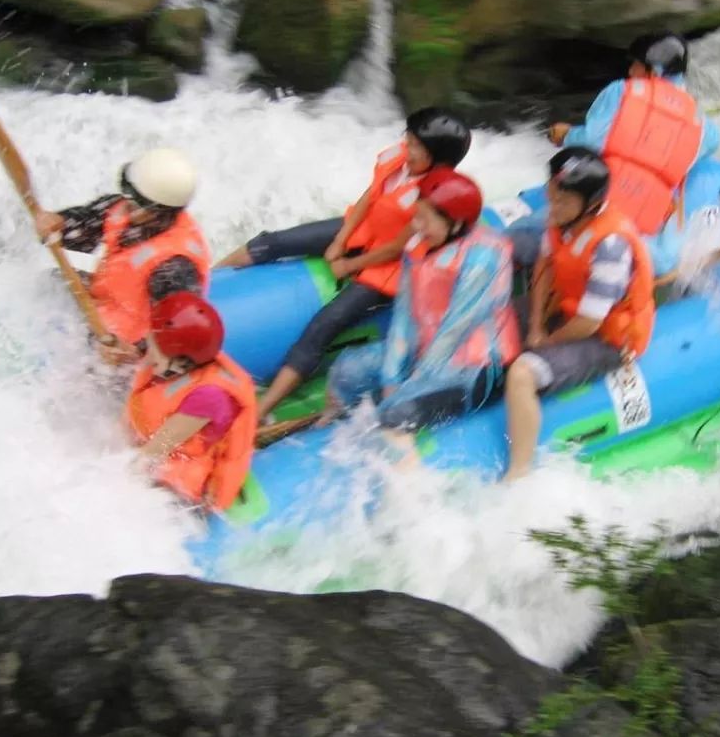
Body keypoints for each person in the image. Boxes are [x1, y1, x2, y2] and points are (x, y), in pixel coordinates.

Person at [215, 108, 473, 421]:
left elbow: (396, 248)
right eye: (409, 139)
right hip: (364, 227)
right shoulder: (400, 159)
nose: (408, 147)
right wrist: (340, 241)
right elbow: (369, 196)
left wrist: (349, 267)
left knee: (325, 324)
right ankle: (210, 279)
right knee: (274, 242)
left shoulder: (433, 199)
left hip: (390, 264)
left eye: (417, 146)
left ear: (438, 161)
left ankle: (263, 408)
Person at [325, 168, 519, 432]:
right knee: (346, 370)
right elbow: (404, 316)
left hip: (474, 368)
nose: (416, 227)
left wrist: (410, 385)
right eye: (416, 217)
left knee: (399, 412)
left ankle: (399, 462)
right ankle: (328, 425)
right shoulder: (418, 246)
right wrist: (392, 377)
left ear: (456, 224)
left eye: (425, 220)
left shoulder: (483, 258)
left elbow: (455, 330)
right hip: (422, 350)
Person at [504, 147, 655, 482]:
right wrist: (536, 325)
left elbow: (590, 322)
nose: (553, 205)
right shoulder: (561, 220)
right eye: (552, 195)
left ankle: (519, 472)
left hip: (607, 338)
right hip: (566, 311)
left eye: (563, 200)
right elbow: (545, 267)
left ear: (590, 204)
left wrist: (544, 343)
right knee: (494, 324)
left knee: (522, 373)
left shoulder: (610, 245)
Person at [33, 147, 210, 364]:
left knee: (94, 364)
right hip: (107, 303)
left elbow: (178, 329)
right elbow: (81, 227)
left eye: (134, 203)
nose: (125, 205)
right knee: (51, 281)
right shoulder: (124, 208)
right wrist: (57, 223)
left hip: (127, 342)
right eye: (127, 196)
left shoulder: (175, 268)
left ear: (158, 213)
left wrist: (135, 352)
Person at [548, 33, 719, 237]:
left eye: (635, 65)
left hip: (597, 212)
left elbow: (592, 141)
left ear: (653, 72)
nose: (630, 71)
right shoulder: (702, 126)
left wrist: (566, 135)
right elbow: (713, 142)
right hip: (648, 228)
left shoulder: (620, 91)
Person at [127, 292, 257, 512]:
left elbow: (154, 452)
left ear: (179, 362)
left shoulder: (208, 397)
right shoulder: (179, 360)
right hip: (153, 447)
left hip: (182, 486)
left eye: (154, 349)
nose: (148, 351)